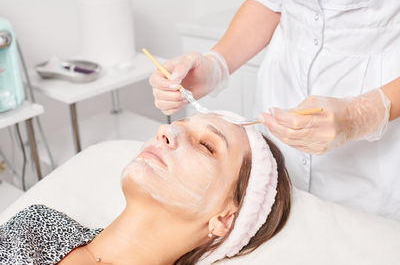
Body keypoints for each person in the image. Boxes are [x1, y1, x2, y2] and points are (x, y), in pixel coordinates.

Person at [149, 0, 400, 220]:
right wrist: (217, 63)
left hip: (377, 146)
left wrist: (364, 113)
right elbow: (270, 3)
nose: (165, 134)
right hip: (282, 87)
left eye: (208, 146)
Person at [0, 112, 291, 265]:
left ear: (225, 218)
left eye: (206, 146)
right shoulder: (37, 228)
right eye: (178, 124)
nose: (166, 131)